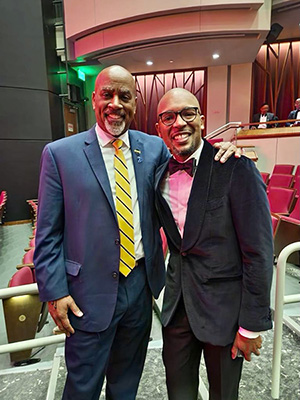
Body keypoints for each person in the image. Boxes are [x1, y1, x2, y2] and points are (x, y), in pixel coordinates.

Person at [34, 65, 238, 400]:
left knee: (126, 384)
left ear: (135, 102)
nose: (115, 103)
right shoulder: (59, 155)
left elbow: (191, 157)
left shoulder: (153, 149)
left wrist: (225, 152)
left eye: (124, 96)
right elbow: (48, 234)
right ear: (93, 98)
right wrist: (54, 292)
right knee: (82, 387)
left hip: (140, 289)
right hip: (86, 294)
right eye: (107, 95)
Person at [155, 88, 273, 400]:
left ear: (202, 120)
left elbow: (259, 252)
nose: (178, 122)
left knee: (223, 395)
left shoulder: (236, 167)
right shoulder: (156, 174)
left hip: (225, 312)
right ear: (159, 129)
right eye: (168, 117)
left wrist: (251, 326)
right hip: (177, 308)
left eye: (187, 113)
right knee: (178, 393)